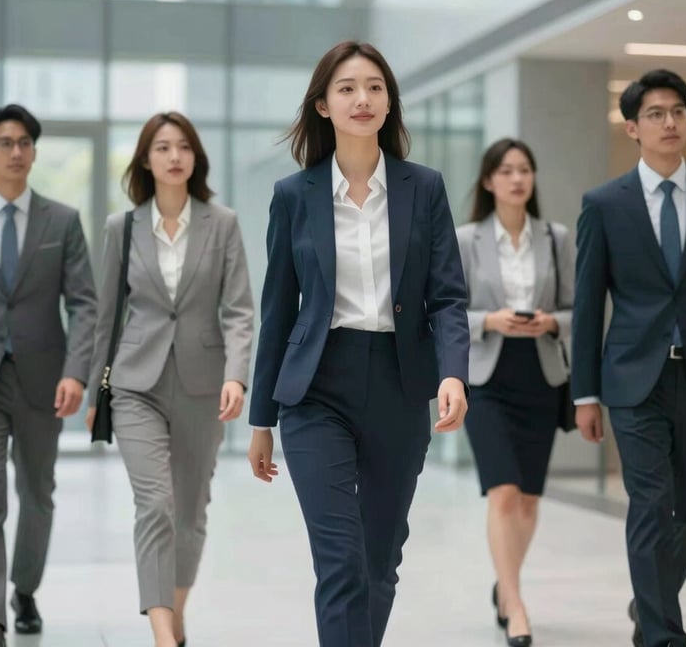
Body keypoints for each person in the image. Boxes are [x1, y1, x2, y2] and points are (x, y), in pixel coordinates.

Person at [247, 40, 470, 647]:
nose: (362, 98)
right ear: (323, 105)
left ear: (389, 102)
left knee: (378, 559)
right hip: (316, 388)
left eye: (375, 87)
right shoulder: (294, 195)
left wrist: (452, 372)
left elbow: (448, 296)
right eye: (346, 88)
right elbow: (277, 312)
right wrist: (262, 419)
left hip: (400, 383)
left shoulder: (424, 188)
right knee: (341, 560)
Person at [572, 69, 686, 647]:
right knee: (650, 502)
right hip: (632, 378)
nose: (670, 123)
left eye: (678, 112)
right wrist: (585, 393)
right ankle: (662, 636)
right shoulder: (604, 205)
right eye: (656, 114)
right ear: (633, 127)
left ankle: (648, 601)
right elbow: (588, 304)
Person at [85, 112, 253, 647]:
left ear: (196, 158)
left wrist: (237, 377)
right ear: (145, 159)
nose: (174, 156)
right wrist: (94, 394)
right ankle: (163, 635)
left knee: (191, 512)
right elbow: (106, 317)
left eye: (183, 146)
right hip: (136, 383)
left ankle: (175, 615)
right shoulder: (122, 228)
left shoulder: (222, 223)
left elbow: (239, 311)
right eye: (162, 147)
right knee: (155, 504)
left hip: (204, 385)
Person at [0, 104, 97, 647]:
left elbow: (85, 304)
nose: (16, 152)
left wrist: (76, 374)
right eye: (5, 143)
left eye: (24, 142)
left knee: (37, 493)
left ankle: (24, 589)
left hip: (45, 382)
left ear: (35, 151)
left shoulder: (61, 221)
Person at [456, 138, 573, 647]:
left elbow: (577, 309)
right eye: (506, 171)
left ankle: (505, 587)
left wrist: (551, 322)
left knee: (527, 498)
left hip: (540, 375)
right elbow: (444, 310)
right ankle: (515, 602)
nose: (517, 179)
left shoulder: (556, 237)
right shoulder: (465, 240)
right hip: (487, 378)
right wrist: (489, 320)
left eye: (525, 169)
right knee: (502, 491)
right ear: (488, 181)